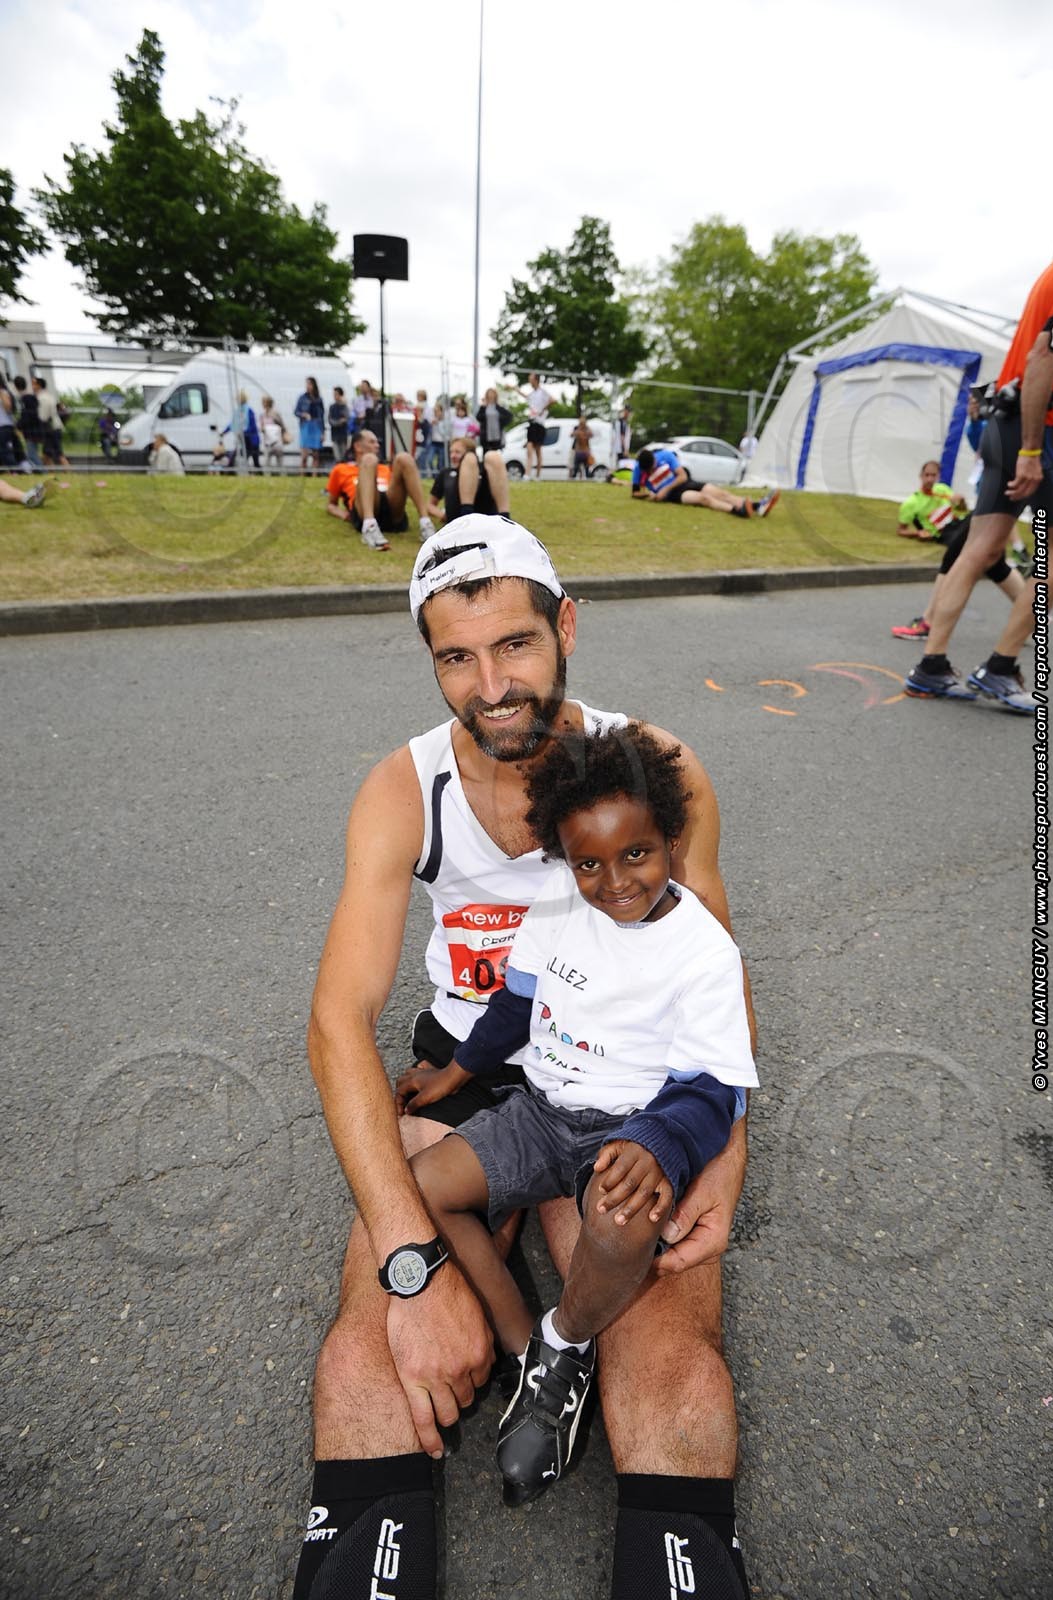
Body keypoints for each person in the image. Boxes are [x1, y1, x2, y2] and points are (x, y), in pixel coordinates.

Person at [293, 516, 757, 1600]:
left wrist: (723, 1153)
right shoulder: (404, 788)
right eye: (456, 657)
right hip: (479, 1046)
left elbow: (716, 968)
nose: (491, 686)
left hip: (626, 1077)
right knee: (374, 1335)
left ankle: (610, 1436)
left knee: (666, 1343)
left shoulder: (657, 770)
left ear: (568, 627)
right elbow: (336, 1019)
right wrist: (411, 1266)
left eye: (515, 644)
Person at [396, 723, 758, 1509]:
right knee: (422, 1185)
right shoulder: (558, 904)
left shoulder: (703, 952)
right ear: (563, 857)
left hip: (628, 1128)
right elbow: (515, 1005)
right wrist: (454, 1070)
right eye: (587, 862)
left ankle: (566, 1339)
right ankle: (529, 1348)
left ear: (671, 839)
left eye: (636, 854)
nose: (614, 881)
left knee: (623, 1224)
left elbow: (715, 1090)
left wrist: (660, 1140)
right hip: (541, 1110)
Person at [905, 254, 1053, 712]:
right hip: (1043, 424)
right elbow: (1043, 357)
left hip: (1006, 415)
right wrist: (1031, 451)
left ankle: (931, 666)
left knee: (982, 547)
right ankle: (1000, 666)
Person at [890, 514, 1025, 638]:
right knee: (996, 566)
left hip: (991, 510)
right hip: (991, 509)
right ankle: (1030, 617)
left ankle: (930, 621)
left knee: (954, 556)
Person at [324, 428, 436, 550]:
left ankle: (426, 523)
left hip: (388, 505)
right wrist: (343, 515)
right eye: (372, 442)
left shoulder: (384, 468)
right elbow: (331, 504)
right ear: (357, 446)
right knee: (369, 459)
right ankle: (369, 526)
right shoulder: (341, 469)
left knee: (404, 457)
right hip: (362, 508)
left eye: (377, 442)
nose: (377, 445)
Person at [632, 447, 779, 518]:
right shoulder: (638, 469)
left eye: (653, 468)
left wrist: (665, 489)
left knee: (721, 493)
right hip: (674, 495)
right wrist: (650, 495)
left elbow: (682, 476)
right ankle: (738, 511)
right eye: (649, 471)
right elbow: (635, 493)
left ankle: (758, 506)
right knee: (704, 499)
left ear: (655, 459)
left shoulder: (666, 455)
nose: (652, 471)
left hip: (684, 484)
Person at [428, 436, 510, 525]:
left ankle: (505, 520)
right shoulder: (446, 473)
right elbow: (430, 505)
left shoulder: (483, 470)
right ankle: (466, 516)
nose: (452, 456)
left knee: (493, 456)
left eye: (457, 452)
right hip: (458, 521)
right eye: (451, 452)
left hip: (486, 519)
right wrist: (442, 515)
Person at [896, 460, 967, 540]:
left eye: (933, 475)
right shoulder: (911, 502)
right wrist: (918, 533)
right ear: (921, 476)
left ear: (938, 476)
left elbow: (962, 509)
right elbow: (901, 530)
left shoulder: (943, 489)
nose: (929, 479)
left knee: (974, 517)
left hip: (958, 525)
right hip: (943, 534)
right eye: (927, 475)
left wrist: (962, 502)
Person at [522, 372, 554, 478]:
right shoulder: (532, 394)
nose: (529, 381)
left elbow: (553, 400)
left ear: (535, 380)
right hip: (532, 423)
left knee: (538, 451)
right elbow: (526, 396)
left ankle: (538, 475)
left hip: (539, 424)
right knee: (529, 448)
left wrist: (542, 410)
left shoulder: (542, 392)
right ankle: (527, 474)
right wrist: (515, 389)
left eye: (530, 379)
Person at [33, 378, 69, 468]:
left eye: (33, 384)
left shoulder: (42, 398)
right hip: (54, 427)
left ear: (39, 385)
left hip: (51, 428)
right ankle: (52, 472)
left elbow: (43, 416)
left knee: (58, 453)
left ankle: (68, 471)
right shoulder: (49, 396)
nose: (32, 386)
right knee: (47, 454)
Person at [295, 377, 324, 475]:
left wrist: (323, 432)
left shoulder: (319, 399)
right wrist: (303, 414)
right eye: (307, 384)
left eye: (310, 384)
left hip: (316, 426)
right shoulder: (302, 398)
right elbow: (296, 412)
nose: (308, 386)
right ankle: (302, 474)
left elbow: (322, 416)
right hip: (305, 426)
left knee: (316, 454)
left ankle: (314, 476)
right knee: (304, 455)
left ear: (314, 385)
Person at [12, 377, 43, 470]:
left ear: (15, 386)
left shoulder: (26, 398)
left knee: (32, 454)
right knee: (32, 453)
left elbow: (27, 416)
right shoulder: (29, 397)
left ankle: (42, 471)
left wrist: (18, 425)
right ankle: (40, 471)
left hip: (31, 431)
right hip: (34, 430)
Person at [476, 387, 513, 453]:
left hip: (497, 436)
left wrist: (501, 424)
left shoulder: (499, 408)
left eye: (492, 393)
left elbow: (509, 416)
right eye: (489, 394)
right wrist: (483, 407)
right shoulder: (484, 407)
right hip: (486, 436)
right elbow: (478, 417)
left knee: (496, 455)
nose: (491, 395)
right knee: (486, 455)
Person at [231, 389, 260, 471]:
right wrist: (224, 432)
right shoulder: (238, 411)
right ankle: (245, 473)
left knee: (255, 461)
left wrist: (243, 432)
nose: (237, 401)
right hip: (244, 439)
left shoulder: (249, 411)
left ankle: (258, 474)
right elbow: (232, 423)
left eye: (238, 399)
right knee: (244, 457)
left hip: (252, 439)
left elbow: (252, 426)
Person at [260, 396, 287, 474]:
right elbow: (261, 427)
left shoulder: (275, 414)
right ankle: (267, 476)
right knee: (266, 462)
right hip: (267, 442)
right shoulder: (262, 415)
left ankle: (282, 476)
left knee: (280, 462)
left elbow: (282, 426)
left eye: (264, 402)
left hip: (277, 442)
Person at [327, 387, 350, 464]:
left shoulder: (344, 407)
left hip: (343, 434)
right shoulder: (332, 407)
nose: (335, 396)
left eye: (336, 394)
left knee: (343, 455)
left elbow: (346, 418)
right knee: (337, 456)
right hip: (335, 434)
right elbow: (330, 420)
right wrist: (338, 422)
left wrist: (343, 404)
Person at [569, 414, 594, 479]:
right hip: (579, 451)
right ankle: (574, 477)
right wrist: (579, 429)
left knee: (586, 468)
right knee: (576, 467)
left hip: (585, 451)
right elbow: (571, 435)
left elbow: (591, 435)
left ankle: (585, 477)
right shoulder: (577, 429)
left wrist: (585, 431)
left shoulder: (587, 429)